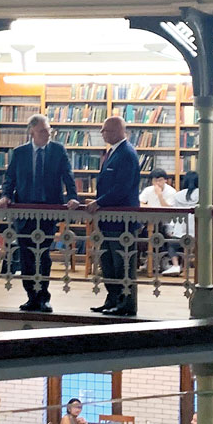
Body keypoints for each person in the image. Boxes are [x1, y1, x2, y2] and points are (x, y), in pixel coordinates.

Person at [0, 114, 80, 313]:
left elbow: (68, 176)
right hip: (24, 211)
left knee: (43, 255)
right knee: (26, 255)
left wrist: (73, 196)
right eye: (43, 130)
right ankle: (31, 297)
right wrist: (5, 196)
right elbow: (10, 178)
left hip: (48, 211)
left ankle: (43, 296)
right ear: (32, 131)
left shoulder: (58, 150)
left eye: (49, 130)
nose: (48, 133)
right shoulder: (19, 153)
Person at [86, 115, 142, 316]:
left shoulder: (127, 154)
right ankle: (112, 299)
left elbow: (122, 188)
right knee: (108, 263)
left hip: (122, 221)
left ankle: (126, 304)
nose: (102, 133)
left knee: (123, 264)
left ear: (119, 130)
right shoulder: (113, 152)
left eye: (106, 130)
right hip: (109, 220)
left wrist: (99, 202)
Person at [163, 171, 199, 276]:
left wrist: (170, 229)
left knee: (171, 244)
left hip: (180, 232)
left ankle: (175, 265)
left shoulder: (178, 195)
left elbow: (173, 213)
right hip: (197, 232)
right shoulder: (203, 194)